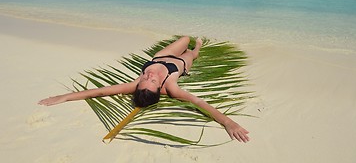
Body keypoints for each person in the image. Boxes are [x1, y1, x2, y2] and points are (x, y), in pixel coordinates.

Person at [38, 36, 250, 143]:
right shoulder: (171, 86)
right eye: (151, 79)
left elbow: (100, 91)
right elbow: (200, 103)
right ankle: (198, 48)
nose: (149, 75)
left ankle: (190, 45)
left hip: (160, 56)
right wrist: (229, 123)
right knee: (191, 51)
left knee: (184, 38)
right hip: (180, 65)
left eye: (145, 78)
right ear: (160, 88)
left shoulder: (136, 84)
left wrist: (64, 97)